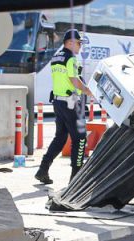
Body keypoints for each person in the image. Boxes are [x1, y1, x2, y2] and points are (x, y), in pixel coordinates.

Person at [35, 29, 97, 185]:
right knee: (80, 138)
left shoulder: (57, 57)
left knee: (60, 137)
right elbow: (74, 79)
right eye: (78, 43)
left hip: (58, 102)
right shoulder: (71, 59)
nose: (80, 47)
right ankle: (76, 178)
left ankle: (42, 170)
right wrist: (89, 91)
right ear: (70, 42)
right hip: (71, 103)